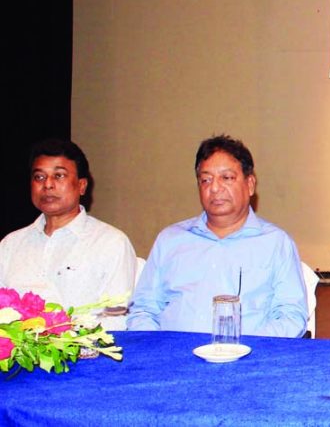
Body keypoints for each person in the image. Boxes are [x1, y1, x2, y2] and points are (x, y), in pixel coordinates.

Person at [128, 135, 308, 337]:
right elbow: (143, 310)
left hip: (248, 360)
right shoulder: (170, 240)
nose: (214, 188)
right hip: (174, 360)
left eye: (227, 178)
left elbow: (291, 317)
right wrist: (160, 352)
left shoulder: (276, 243)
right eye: (206, 180)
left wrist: (250, 349)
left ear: (250, 185)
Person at [0, 138, 136, 311]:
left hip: (82, 337)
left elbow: (116, 317)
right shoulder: (11, 245)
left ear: (81, 186)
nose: (48, 184)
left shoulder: (110, 243)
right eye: (39, 177)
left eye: (59, 176)